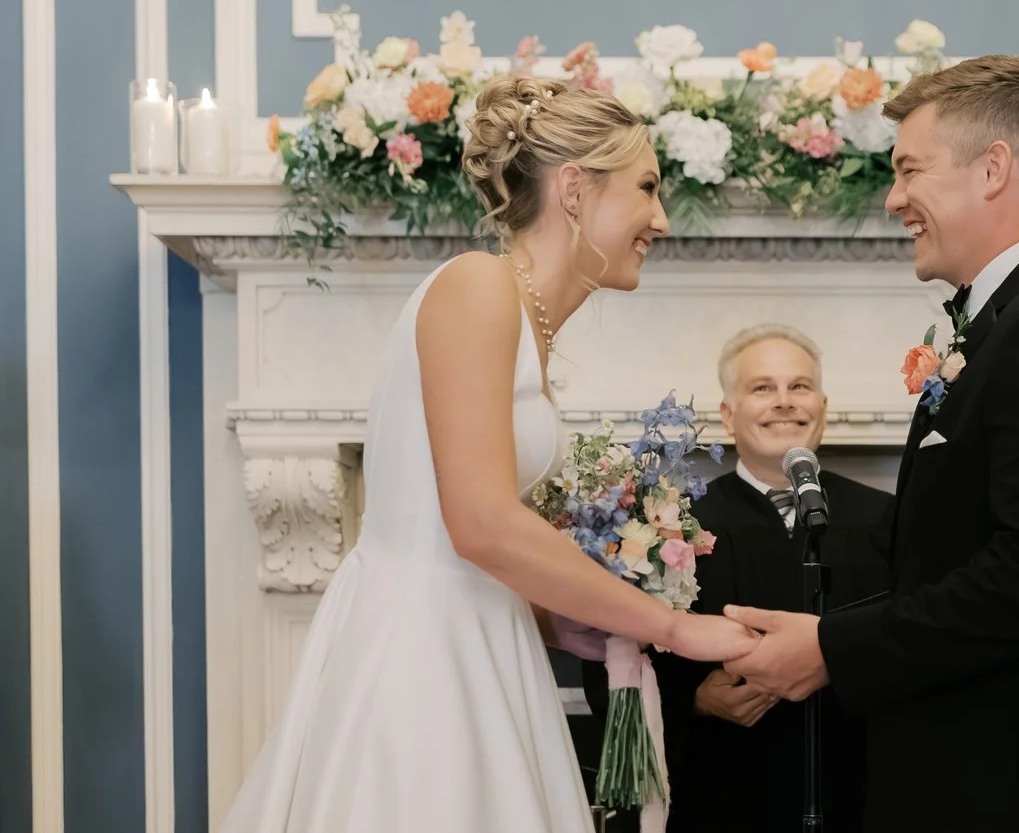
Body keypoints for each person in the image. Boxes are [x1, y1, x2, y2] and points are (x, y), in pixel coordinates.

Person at [222, 75, 756, 833]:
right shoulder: (478, 285)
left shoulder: (524, 317)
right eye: (646, 187)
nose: (660, 218)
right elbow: (477, 521)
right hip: (421, 653)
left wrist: (556, 615)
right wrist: (675, 627)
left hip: (480, 635)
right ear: (574, 189)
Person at [724, 55, 1019, 833]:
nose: (893, 197)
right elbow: (951, 559)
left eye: (910, 169)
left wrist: (835, 647)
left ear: (993, 169)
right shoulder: (1015, 319)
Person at [632, 325, 891, 833]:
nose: (784, 402)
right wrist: (695, 701)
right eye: (761, 388)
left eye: (799, 387)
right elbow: (623, 653)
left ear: (822, 404)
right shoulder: (670, 524)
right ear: (727, 414)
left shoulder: (885, 518)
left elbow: (923, 637)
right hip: (724, 794)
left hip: (858, 789)